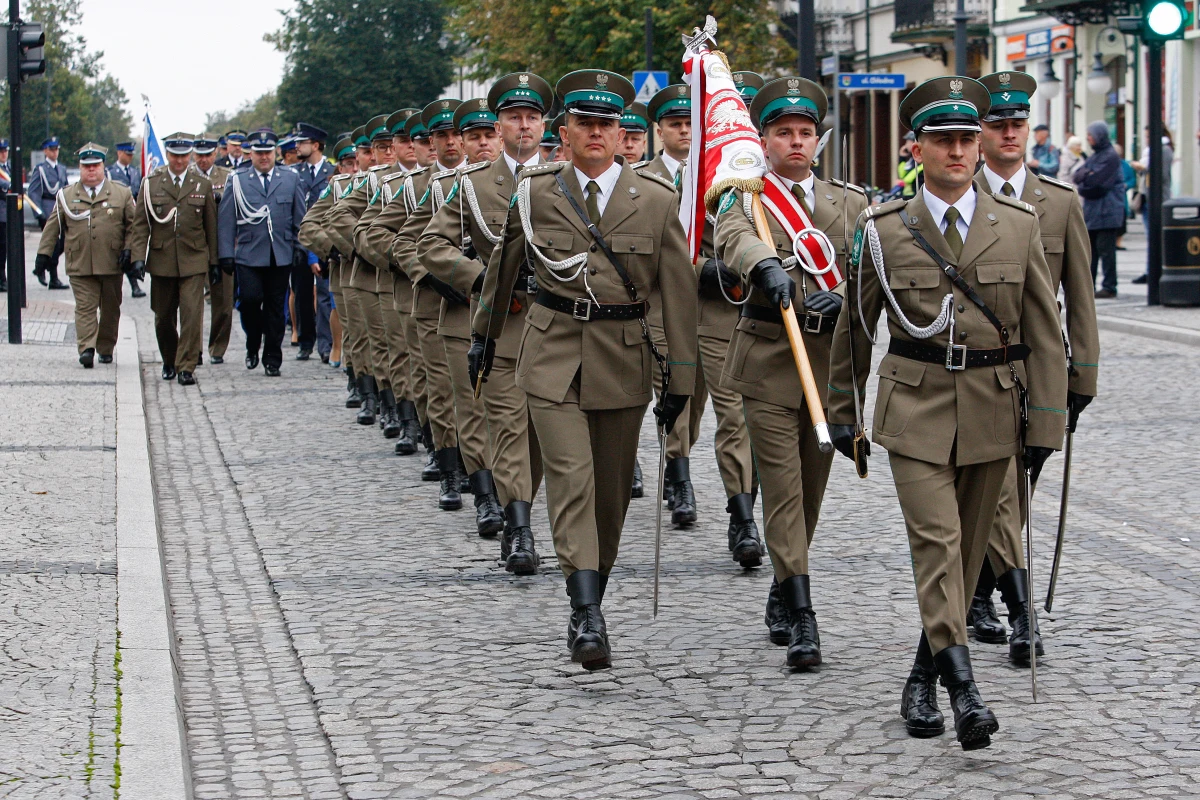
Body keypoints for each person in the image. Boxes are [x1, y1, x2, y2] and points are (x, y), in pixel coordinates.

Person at [827, 76, 1066, 750]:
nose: (957, 151)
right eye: (942, 140)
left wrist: (1045, 422)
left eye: (966, 138)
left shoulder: (1017, 226)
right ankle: (965, 691)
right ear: (917, 148)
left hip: (993, 411)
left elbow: (1044, 334)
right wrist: (843, 411)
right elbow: (854, 330)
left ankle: (921, 676)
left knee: (963, 560)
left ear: (979, 145)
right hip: (915, 408)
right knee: (937, 544)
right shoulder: (883, 230)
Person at [473, 69, 697, 671]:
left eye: (606, 124)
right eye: (584, 123)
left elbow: (678, 296)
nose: (596, 133)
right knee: (570, 477)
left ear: (621, 133)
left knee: (611, 493)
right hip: (551, 354)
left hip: (622, 358)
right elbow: (503, 270)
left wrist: (680, 379)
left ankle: (594, 581)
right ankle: (585, 609)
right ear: (565, 132)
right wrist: (483, 338)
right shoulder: (536, 192)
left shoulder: (655, 198)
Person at [715, 76, 867, 665]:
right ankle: (804, 615)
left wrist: (843, 295)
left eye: (805, 132)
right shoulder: (746, 195)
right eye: (784, 132)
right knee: (781, 488)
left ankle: (784, 583)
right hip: (769, 364)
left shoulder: (850, 203)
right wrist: (765, 265)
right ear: (765, 140)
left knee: (810, 493)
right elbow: (732, 239)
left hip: (828, 369)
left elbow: (870, 270)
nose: (796, 141)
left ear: (818, 141)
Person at [970, 71, 1099, 664]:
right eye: (997, 125)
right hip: (981, 368)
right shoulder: (958, 194)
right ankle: (1018, 609)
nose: (1009, 134)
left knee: (1018, 489)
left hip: (1040, 368)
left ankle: (977, 589)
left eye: (1017, 124)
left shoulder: (1060, 202)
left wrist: (1083, 373)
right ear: (980, 132)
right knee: (997, 488)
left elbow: (1081, 296)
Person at [420, 72, 553, 569]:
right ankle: (518, 529)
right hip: (502, 325)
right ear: (499, 127)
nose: (524, 125)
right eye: (514, 117)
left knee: (540, 436)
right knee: (507, 426)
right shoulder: (473, 185)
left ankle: (520, 504)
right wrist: (481, 281)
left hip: (557, 329)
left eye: (532, 117)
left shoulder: (564, 179)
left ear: (544, 126)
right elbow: (432, 244)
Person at [390, 99, 469, 511]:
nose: (452, 143)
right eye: (442, 136)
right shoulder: (425, 186)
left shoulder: (498, 180)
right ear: (431, 142)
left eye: (458, 134)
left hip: (493, 305)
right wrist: (430, 274)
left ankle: (486, 470)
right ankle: (450, 468)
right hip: (437, 304)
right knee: (441, 389)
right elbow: (394, 239)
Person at [642, 83, 704, 528]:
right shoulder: (641, 180)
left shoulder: (720, 176)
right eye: (675, 124)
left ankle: (678, 456)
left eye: (690, 124)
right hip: (659, 305)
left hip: (710, 306)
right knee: (671, 385)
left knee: (695, 399)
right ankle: (680, 477)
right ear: (659, 130)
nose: (684, 131)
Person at [129, 133, 219, 386]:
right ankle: (169, 359)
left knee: (191, 315)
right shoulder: (151, 184)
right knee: (163, 317)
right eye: (174, 155)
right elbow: (140, 225)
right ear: (167, 154)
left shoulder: (202, 184)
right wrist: (137, 257)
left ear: (189, 155)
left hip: (194, 258)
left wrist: (214, 262)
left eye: (184, 156)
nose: (179, 161)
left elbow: (211, 227)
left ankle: (186, 367)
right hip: (162, 260)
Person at [217, 129, 308, 376]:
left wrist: (300, 247)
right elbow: (226, 220)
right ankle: (253, 340)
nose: (264, 157)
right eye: (259, 153)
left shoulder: (290, 178)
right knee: (249, 301)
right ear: (251, 154)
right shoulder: (238, 179)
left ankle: (272, 357)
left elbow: (299, 217)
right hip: (248, 253)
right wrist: (225, 253)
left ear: (275, 152)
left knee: (275, 308)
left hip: (280, 253)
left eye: (268, 152)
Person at [36, 144, 137, 367]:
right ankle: (86, 348)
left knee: (110, 309)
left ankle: (106, 347)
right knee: (85, 307)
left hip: (111, 262)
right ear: (80, 168)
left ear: (103, 166)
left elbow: (133, 226)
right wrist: (43, 255)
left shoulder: (121, 193)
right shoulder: (66, 195)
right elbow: (53, 227)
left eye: (95, 165)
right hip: (80, 262)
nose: (91, 170)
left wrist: (130, 250)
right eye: (86, 166)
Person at [192, 134, 233, 363]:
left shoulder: (227, 177)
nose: (203, 159)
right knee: (191, 303)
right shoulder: (187, 176)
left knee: (224, 303)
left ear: (215, 153)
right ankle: (193, 348)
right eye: (199, 155)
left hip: (222, 245)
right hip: (194, 245)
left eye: (208, 154)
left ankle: (217, 348)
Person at [1073, 121, 1126, 299]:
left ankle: (1109, 286)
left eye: (1090, 135)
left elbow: (1097, 183)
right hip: (1094, 212)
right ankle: (1090, 286)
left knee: (1106, 252)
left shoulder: (1110, 156)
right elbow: (1077, 176)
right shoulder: (1095, 156)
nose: (1088, 138)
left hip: (1107, 212)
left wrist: (1086, 179)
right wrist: (1086, 178)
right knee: (1091, 252)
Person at [1130, 126, 1175, 284]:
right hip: (1148, 197)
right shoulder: (1151, 151)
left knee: (1155, 237)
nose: (1147, 140)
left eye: (1149, 136)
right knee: (1151, 237)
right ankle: (1151, 270)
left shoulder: (1165, 150)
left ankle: (1154, 271)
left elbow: (1161, 174)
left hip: (1158, 199)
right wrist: (1142, 169)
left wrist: (1144, 168)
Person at [27, 136, 70, 289]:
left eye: (56, 149)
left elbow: (66, 190)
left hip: (61, 209)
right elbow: (33, 192)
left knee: (63, 244)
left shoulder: (62, 168)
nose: (55, 152)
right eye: (52, 150)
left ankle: (41, 266)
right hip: (47, 209)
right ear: (45, 151)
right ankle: (53, 278)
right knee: (53, 244)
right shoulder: (40, 169)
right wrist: (39, 212)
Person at [1114, 142, 1134, 250]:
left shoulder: (1125, 165)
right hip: (1111, 197)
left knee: (1122, 221)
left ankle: (1118, 242)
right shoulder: (1107, 165)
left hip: (1121, 197)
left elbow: (1132, 180)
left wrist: (1127, 185)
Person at [897, 131, 922, 198]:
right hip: (907, 197)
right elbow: (902, 174)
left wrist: (902, 182)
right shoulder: (911, 160)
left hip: (914, 196)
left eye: (908, 142)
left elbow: (908, 179)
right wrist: (902, 158)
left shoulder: (921, 161)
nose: (905, 145)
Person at [0, 139, 9, 293]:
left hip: (10, 214)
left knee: (6, 247)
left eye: (5, 151)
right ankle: (2, 278)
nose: (3, 154)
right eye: (1, 151)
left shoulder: (10, 168)